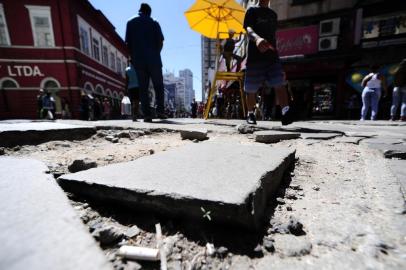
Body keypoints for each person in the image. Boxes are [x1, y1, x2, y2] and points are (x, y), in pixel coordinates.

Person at [243, 0, 294, 125]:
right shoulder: (252, 11)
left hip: (272, 56)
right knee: (251, 89)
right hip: (255, 57)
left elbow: (273, 35)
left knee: (280, 83)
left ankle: (285, 112)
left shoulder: (273, 15)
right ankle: (250, 113)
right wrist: (257, 39)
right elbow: (248, 29)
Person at [125, 3, 166, 123]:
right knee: (158, 86)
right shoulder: (154, 22)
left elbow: (128, 44)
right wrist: (156, 53)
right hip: (154, 60)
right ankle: (160, 111)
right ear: (148, 12)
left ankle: (147, 115)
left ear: (140, 11)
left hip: (139, 61)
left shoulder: (130, 22)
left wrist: (133, 57)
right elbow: (161, 41)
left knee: (143, 88)